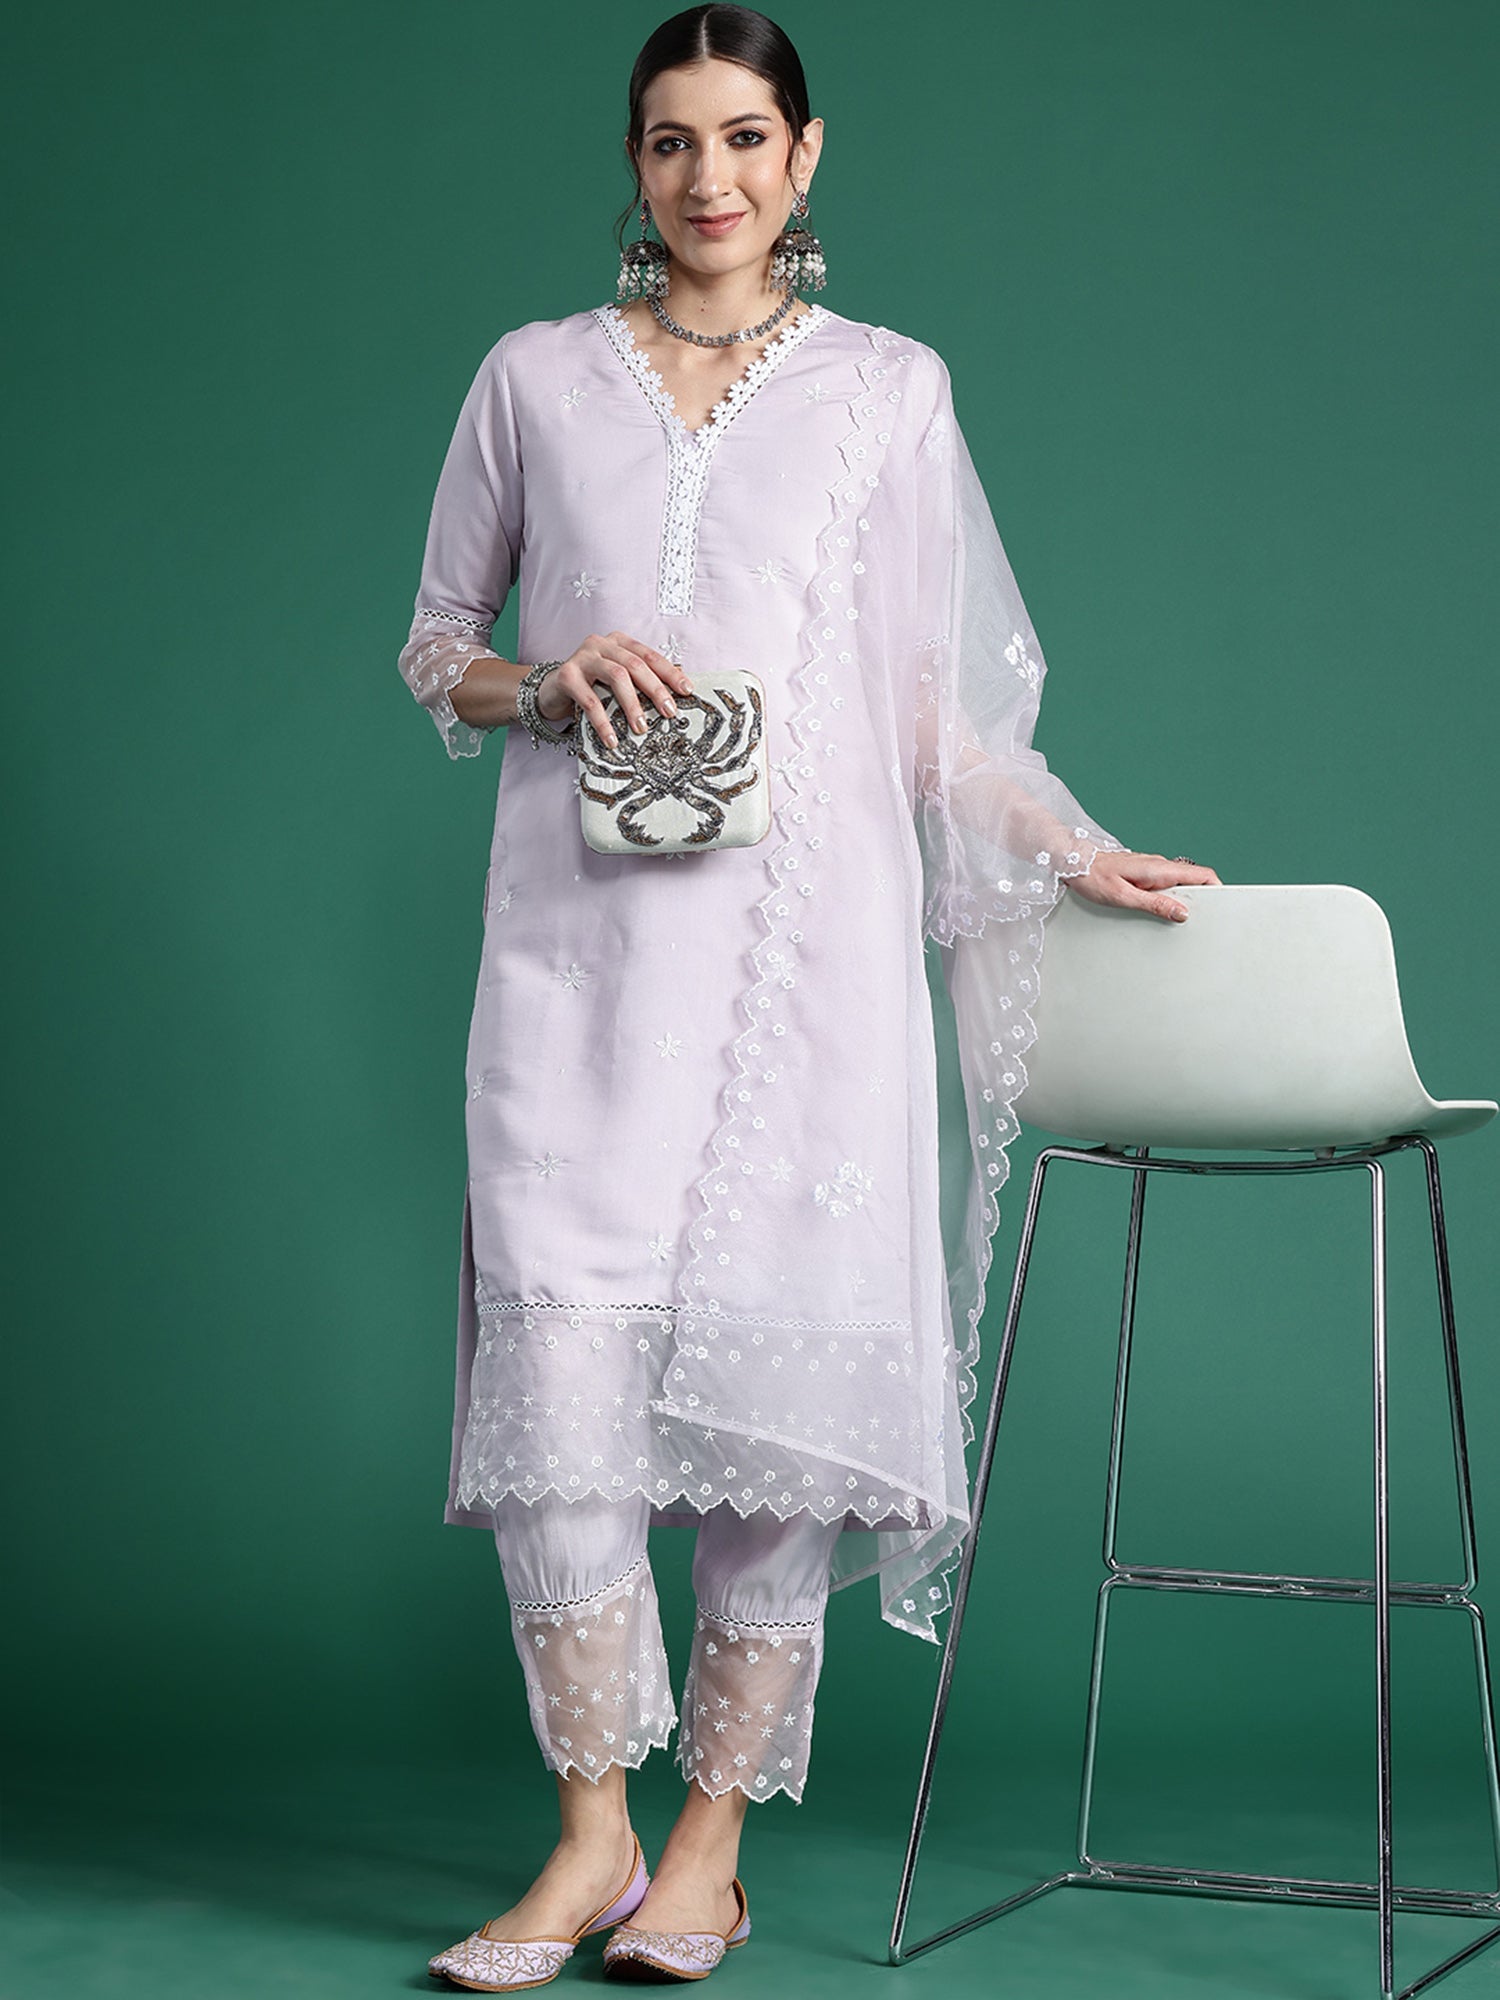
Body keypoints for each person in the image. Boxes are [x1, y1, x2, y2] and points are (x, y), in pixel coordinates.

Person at [399, 5, 1220, 1987]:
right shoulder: (531, 378)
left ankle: (707, 1850)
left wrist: (1072, 844)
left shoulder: (886, 393)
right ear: (634, 157)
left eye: (746, 137)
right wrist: (544, 678)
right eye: (672, 139)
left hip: (805, 971)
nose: (710, 178)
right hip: (577, 962)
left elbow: (938, 714)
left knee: (773, 1383)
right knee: (564, 1400)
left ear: (807, 153)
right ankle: (589, 1835)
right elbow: (434, 649)